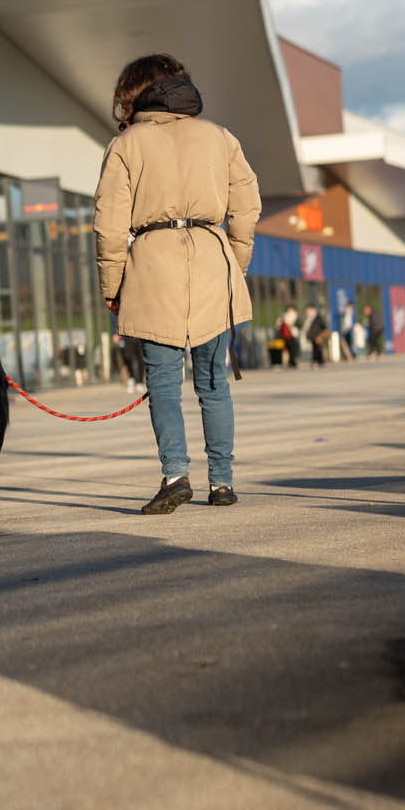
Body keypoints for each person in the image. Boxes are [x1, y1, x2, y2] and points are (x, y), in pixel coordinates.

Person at [94, 52, 261, 513]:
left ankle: (175, 475)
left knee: (164, 382)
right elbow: (246, 208)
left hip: (153, 260)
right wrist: (235, 266)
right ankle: (222, 482)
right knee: (214, 381)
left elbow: (109, 225)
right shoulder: (221, 138)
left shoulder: (126, 145)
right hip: (212, 255)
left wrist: (112, 285)